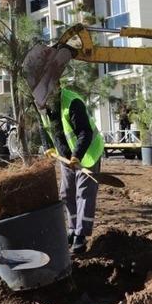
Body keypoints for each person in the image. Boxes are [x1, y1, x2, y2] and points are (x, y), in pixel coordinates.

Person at [39, 85, 105, 255]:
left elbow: (85, 131)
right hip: (65, 157)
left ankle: (81, 235)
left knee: (84, 193)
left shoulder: (72, 102)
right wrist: (47, 146)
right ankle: (72, 229)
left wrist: (77, 155)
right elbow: (43, 128)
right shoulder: (42, 105)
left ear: (57, 87)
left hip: (87, 153)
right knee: (67, 193)